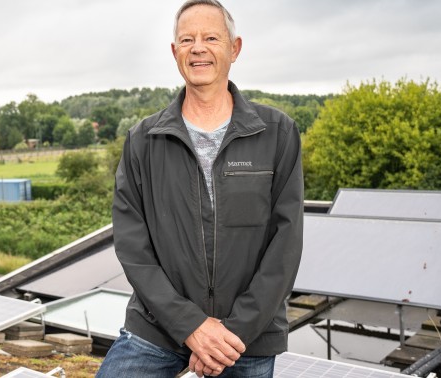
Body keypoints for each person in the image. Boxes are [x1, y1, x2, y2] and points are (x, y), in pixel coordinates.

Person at [96, 1, 303, 377]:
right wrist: (190, 325)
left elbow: (284, 245)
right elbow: (132, 245)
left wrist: (227, 335)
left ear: (234, 48)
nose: (198, 48)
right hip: (156, 331)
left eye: (211, 37)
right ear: (175, 53)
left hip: (246, 339)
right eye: (187, 39)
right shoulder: (143, 140)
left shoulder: (278, 133)